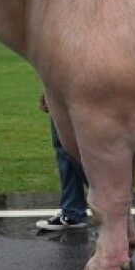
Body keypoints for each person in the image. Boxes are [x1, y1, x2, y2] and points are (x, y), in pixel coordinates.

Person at [35, 94, 89, 231]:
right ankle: (72, 211)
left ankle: (109, 202)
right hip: (68, 88)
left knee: (70, 146)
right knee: (65, 148)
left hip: (75, 89)